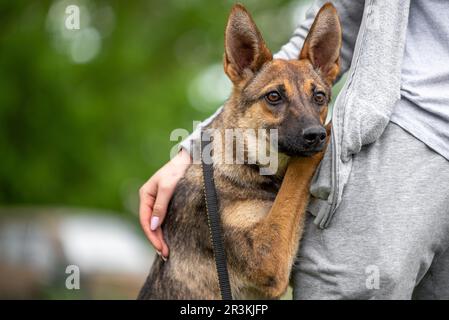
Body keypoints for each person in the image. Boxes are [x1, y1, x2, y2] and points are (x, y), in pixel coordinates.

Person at [139, 0, 449, 299]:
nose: (310, 123)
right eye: (275, 99)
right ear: (238, 64)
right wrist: (192, 149)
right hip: (412, 123)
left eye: (317, 99)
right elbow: (270, 278)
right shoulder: (219, 185)